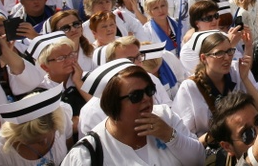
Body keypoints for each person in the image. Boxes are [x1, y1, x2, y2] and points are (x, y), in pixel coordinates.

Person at [63, 64, 205, 165]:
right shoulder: (89, 153)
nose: (146, 98)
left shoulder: (165, 116)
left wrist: (169, 135)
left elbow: (199, 159)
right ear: (113, 103)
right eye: (135, 96)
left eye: (149, 90)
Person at [172, 31, 258, 146]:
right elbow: (185, 139)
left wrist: (245, 78)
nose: (227, 58)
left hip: (248, 140)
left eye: (229, 51)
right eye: (219, 53)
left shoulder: (237, 70)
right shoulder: (190, 87)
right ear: (203, 58)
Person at [0, 85, 73, 166]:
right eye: (37, 141)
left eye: (49, 136)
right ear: (19, 136)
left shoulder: (62, 116)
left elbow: (70, 151)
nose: (44, 143)